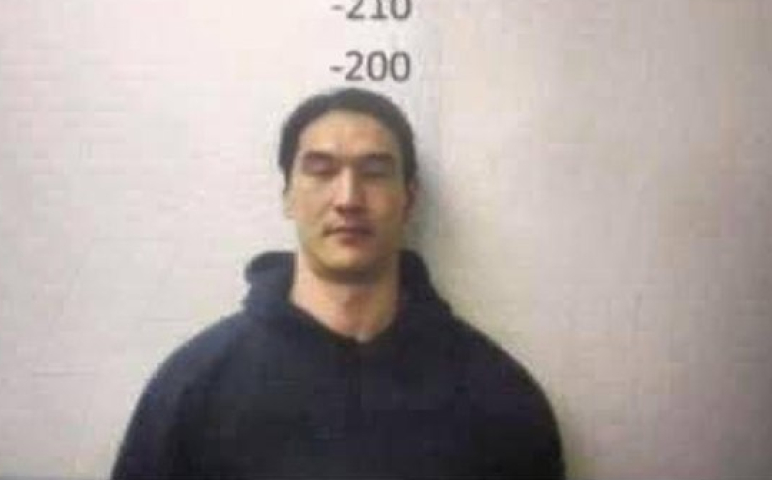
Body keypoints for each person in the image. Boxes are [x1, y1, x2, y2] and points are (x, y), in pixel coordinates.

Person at [111, 87, 565, 479]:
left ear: (408, 199)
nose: (348, 198)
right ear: (287, 195)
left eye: (374, 172)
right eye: (321, 170)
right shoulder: (193, 388)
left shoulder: (498, 396)